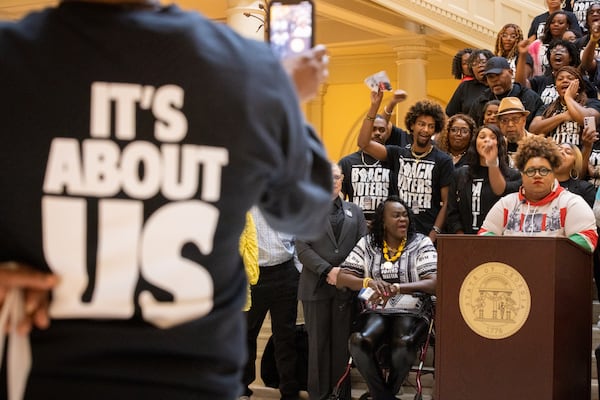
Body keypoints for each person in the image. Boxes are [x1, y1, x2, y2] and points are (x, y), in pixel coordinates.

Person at [0, 1, 332, 399]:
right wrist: (285, 97)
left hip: (46, 376)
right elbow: (306, 211)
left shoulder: (11, 59)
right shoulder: (247, 69)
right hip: (193, 380)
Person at [336, 196, 437, 400]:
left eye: (405, 215)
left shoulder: (421, 242)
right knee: (358, 340)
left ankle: (381, 395)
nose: (403, 219)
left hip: (412, 310)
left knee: (404, 343)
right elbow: (341, 278)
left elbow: (434, 282)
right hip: (376, 309)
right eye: (396, 216)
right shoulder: (368, 244)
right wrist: (368, 283)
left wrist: (398, 288)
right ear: (382, 221)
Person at [296, 163, 367, 400]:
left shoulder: (355, 211)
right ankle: (319, 395)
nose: (332, 181)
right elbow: (302, 248)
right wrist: (328, 270)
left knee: (341, 347)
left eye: (336, 177)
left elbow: (363, 247)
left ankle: (340, 395)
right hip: (315, 287)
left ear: (342, 179)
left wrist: (344, 273)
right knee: (317, 346)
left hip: (345, 289)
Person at [479, 135, 598, 252]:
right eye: (531, 171)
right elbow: (483, 236)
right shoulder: (506, 204)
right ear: (522, 174)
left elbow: (587, 239)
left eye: (543, 170)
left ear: (553, 173)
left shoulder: (571, 202)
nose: (537, 175)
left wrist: (539, 251)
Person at [358, 97, 454, 242]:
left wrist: (433, 235)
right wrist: (374, 107)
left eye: (431, 126)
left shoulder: (443, 160)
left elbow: (447, 203)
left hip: (426, 235)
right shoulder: (397, 154)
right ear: (412, 125)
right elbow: (363, 143)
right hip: (396, 233)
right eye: (421, 124)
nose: (426, 130)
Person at [242, 207, 306, 400]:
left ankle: (288, 390)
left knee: (285, 336)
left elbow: (298, 236)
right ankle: (242, 388)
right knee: (247, 334)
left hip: (286, 273)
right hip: (255, 276)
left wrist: (296, 269)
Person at [446, 124, 521, 234]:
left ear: (499, 143)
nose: (487, 141)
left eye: (492, 137)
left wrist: (492, 163)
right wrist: (461, 238)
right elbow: (452, 212)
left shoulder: (513, 176)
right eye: (482, 137)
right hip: (466, 242)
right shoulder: (460, 174)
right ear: (475, 143)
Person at [339, 113, 394, 222]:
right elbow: (338, 197)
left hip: (385, 226)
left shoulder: (393, 162)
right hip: (356, 225)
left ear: (387, 134)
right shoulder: (347, 162)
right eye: (373, 129)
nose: (378, 133)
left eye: (382, 130)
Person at [529, 65, 600, 146]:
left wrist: (568, 97)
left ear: (579, 84)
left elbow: (587, 119)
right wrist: (563, 116)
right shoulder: (547, 108)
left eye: (570, 78)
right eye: (560, 79)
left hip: (582, 155)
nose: (565, 80)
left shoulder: (592, 103)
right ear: (556, 87)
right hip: (555, 155)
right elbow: (533, 130)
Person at [469, 56, 544, 129]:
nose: (494, 80)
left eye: (498, 75)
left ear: (511, 72)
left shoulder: (529, 98)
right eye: (490, 77)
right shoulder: (482, 101)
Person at [516, 39, 581, 106]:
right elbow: (521, 85)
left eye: (562, 51)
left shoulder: (578, 80)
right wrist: (522, 55)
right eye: (554, 51)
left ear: (570, 58)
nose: (557, 53)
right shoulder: (541, 81)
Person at [446, 49, 493, 117]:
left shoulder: (498, 85)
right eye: (474, 64)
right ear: (472, 69)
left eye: (483, 62)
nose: (479, 65)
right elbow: (451, 112)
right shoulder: (465, 86)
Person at [495, 97, 536, 166]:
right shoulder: (496, 146)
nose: (510, 124)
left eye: (515, 119)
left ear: (524, 120)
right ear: (499, 124)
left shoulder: (538, 145)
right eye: (504, 120)